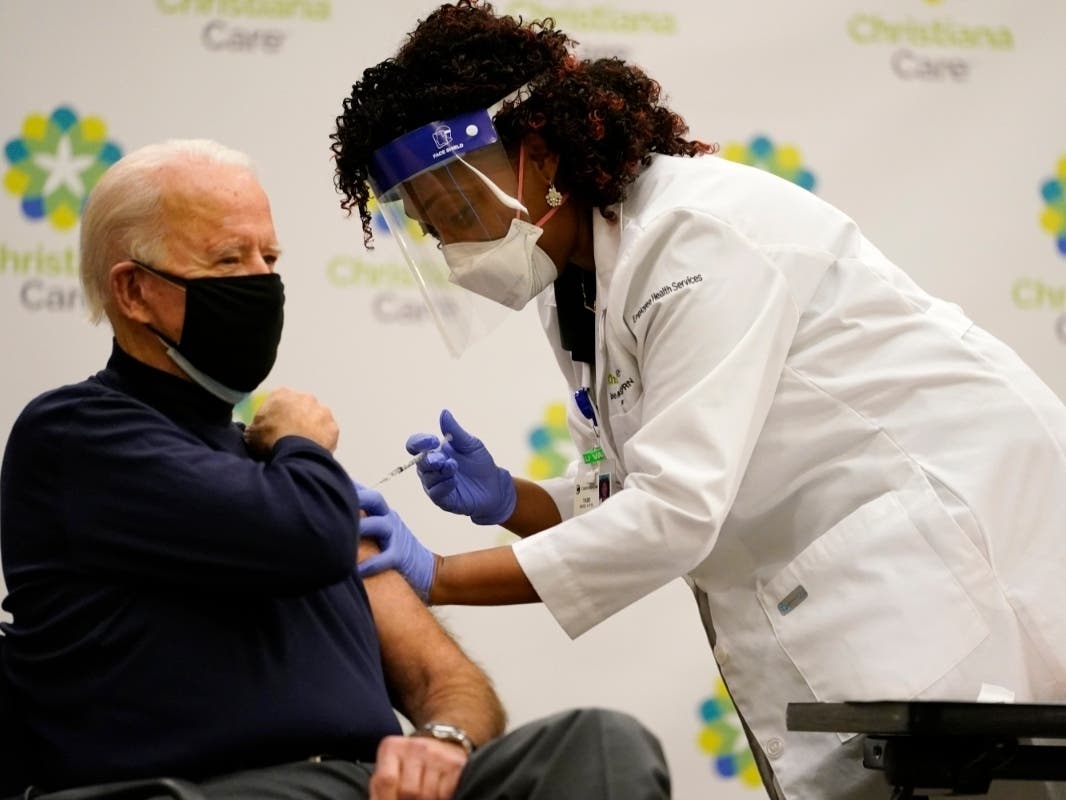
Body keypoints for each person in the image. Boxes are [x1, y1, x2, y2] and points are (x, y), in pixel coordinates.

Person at [330, 3, 1066, 799]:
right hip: (854, 582)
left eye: (460, 212)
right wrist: (515, 500)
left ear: (539, 153)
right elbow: (636, 493)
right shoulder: (581, 280)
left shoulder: (694, 235)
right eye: (434, 228)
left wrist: (436, 575)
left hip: (938, 555)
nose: (455, 247)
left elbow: (676, 512)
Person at [0, 138, 672, 800]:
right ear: (135, 292)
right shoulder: (78, 436)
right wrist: (303, 446)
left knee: (601, 744)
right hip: (213, 790)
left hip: (369, 786)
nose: (261, 281)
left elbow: (448, 681)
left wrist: (441, 744)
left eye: (270, 257)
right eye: (229, 258)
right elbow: (306, 535)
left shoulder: (288, 477)